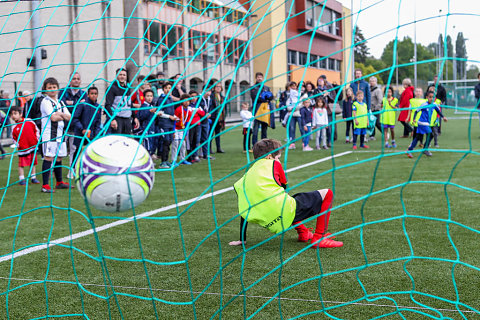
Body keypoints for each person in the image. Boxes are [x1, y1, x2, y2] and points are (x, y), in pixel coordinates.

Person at [229, 138, 343, 248]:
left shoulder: (247, 176)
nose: (279, 160)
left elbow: (243, 209)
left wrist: (242, 239)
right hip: (283, 214)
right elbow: (284, 188)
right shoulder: (274, 164)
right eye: (278, 157)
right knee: (327, 193)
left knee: (288, 201)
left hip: (267, 220)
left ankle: (303, 232)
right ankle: (319, 238)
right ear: (269, 157)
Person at [39, 77, 71, 193]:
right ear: (45, 90)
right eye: (49, 88)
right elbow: (53, 118)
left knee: (59, 157)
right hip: (49, 135)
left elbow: (69, 117)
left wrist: (59, 113)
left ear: (57, 89)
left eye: (54, 87)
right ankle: (45, 185)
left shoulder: (61, 102)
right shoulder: (45, 101)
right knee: (49, 157)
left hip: (60, 134)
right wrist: (61, 115)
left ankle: (59, 182)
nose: (52, 89)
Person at [58, 72, 86, 177]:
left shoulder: (84, 93)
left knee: (74, 150)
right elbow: (61, 105)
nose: (76, 80)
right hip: (63, 126)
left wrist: (72, 104)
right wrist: (77, 103)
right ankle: (54, 169)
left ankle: (72, 170)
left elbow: (83, 108)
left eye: (78, 78)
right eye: (74, 78)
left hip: (76, 127)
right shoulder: (63, 92)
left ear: (80, 81)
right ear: (70, 80)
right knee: (59, 149)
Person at [407, 91, 447, 158]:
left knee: (418, 137)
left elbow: (438, 111)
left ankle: (410, 150)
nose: (431, 98)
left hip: (425, 123)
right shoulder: (424, 105)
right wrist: (414, 119)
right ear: (427, 97)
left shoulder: (434, 104)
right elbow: (416, 111)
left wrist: (443, 117)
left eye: (433, 97)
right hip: (422, 122)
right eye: (430, 97)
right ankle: (425, 149)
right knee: (430, 135)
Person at [71, 86, 102, 164]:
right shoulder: (83, 104)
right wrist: (82, 129)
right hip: (80, 133)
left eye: (95, 94)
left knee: (90, 152)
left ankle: (88, 168)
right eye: (92, 93)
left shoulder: (98, 107)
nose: (94, 95)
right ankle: (73, 168)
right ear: (88, 95)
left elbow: (98, 122)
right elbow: (75, 118)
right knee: (78, 151)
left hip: (91, 134)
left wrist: (96, 134)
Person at [10, 106, 40, 184]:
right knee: (21, 164)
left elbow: (36, 130)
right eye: (11, 114)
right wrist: (19, 145)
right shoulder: (14, 127)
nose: (13, 116)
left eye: (15, 113)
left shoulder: (29, 121)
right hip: (23, 149)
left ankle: (33, 177)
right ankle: (21, 179)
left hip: (32, 146)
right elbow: (14, 138)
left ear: (20, 114)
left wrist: (36, 140)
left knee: (32, 163)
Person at [104, 68, 139, 135]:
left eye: (124, 75)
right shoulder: (112, 88)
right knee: (117, 140)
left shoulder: (127, 88)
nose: (122, 76)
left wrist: (135, 117)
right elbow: (108, 105)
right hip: (117, 118)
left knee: (127, 140)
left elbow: (130, 104)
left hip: (127, 119)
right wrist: (112, 119)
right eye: (120, 74)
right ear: (117, 76)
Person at [156, 82, 179, 169]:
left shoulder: (170, 99)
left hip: (170, 124)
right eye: (166, 88)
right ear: (163, 89)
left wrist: (174, 117)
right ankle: (162, 162)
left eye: (169, 88)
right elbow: (159, 112)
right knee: (165, 142)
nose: (168, 90)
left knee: (169, 141)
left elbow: (171, 112)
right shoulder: (161, 99)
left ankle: (166, 160)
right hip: (163, 124)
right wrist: (169, 116)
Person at [250, 72, 274, 146]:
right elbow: (255, 97)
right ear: (256, 78)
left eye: (261, 77)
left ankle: (264, 144)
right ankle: (255, 144)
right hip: (257, 110)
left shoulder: (266, 87)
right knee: (256, 129)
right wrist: (263, 97)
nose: (259, 78)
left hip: (265, 110)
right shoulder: (253, 87)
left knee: (264, 128)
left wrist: (268, 97)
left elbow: (271, 97)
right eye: (258, 77)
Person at [137, 89, 158, 157]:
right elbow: (141, 117)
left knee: (152, 143)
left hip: (152, 127)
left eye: (151, 96)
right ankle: (147, 159)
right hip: (146, 128)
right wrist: (150, 111)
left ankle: (150, 157)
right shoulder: (144, 106)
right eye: (148, 96)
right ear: (144, 97)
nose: (149, 98)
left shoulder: (151, 106)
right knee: (147, 145)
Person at [171, 93, 192, 166]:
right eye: (185, 100)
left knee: (183, 144)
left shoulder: (189, 111)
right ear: (181, 101)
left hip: (182, 130)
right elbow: (174, 120)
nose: (187, 102)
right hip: (176, 129)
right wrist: (173, 131)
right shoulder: (178, 109)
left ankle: (182, 159)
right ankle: (173, 160)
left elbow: (187, 122)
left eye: (188, 101)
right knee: (175, 144)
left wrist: (185, 134)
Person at [186, 90, 204, 162]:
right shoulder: (188, 105)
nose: (194, 98)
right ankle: (190, 156)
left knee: (196, 140)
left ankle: (195, 155)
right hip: (190, 125)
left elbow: (203, 114)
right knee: (190, 141)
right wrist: (196, 113)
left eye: (195, 96)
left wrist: (197, 111)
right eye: (192, 96)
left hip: (197, 125)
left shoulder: (198, 105)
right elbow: (190, 115)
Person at [198, 85, 213, 160]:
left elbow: (210, 108)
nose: (208, 93)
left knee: (205, 138)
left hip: (206, 121)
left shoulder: (210, 99)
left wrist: (209, 113)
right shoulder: (199, 98)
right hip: (199, 121)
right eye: (207, 91)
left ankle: (205, 154)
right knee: (197, 138)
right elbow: (198, 108)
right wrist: (204, 113)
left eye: (210, 91)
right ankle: (195, 155)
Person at [210, 83, 226, 153]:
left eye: (219, 86)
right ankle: (209, 148)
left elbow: (225, 108)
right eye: (217, 86)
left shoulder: (223, 97)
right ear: (214, 88)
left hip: (220, 118)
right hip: (213, 117)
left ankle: (218, 148)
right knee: (210, 134)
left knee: (218, 133)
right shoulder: (211, 96)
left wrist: (224, 116)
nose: (218, 88)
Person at [369, 76, 383, 140]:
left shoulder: (378, 90)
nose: (372, 82)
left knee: (377, 123)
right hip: (370, 109)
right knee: (371, 123)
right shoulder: (369, 89)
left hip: (376, 109)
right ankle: (371, 135)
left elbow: (380, 100)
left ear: (376, 82)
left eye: (373, 81)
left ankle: (385, 132)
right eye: (371, 81)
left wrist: (377, 107)